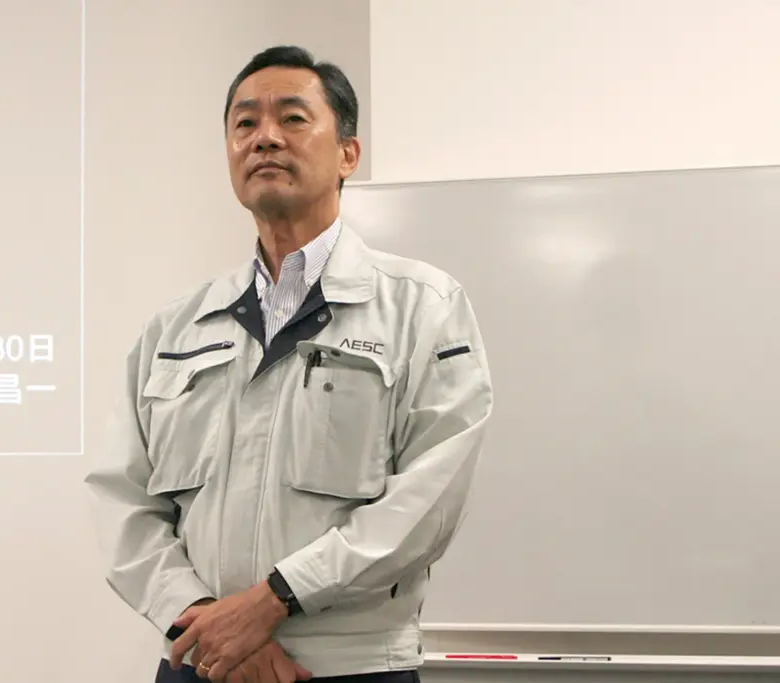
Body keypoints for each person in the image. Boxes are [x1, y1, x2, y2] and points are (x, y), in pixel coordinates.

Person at [85, 45, 494, 683]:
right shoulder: (176, 326)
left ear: (348, 154)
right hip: (203, 662)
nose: (265, 137)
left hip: (350, 667)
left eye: (293, 118)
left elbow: (429, 499)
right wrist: (204, 620)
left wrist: (275, 599)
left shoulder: (422, 307)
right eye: (245, 123)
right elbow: (123, 497)